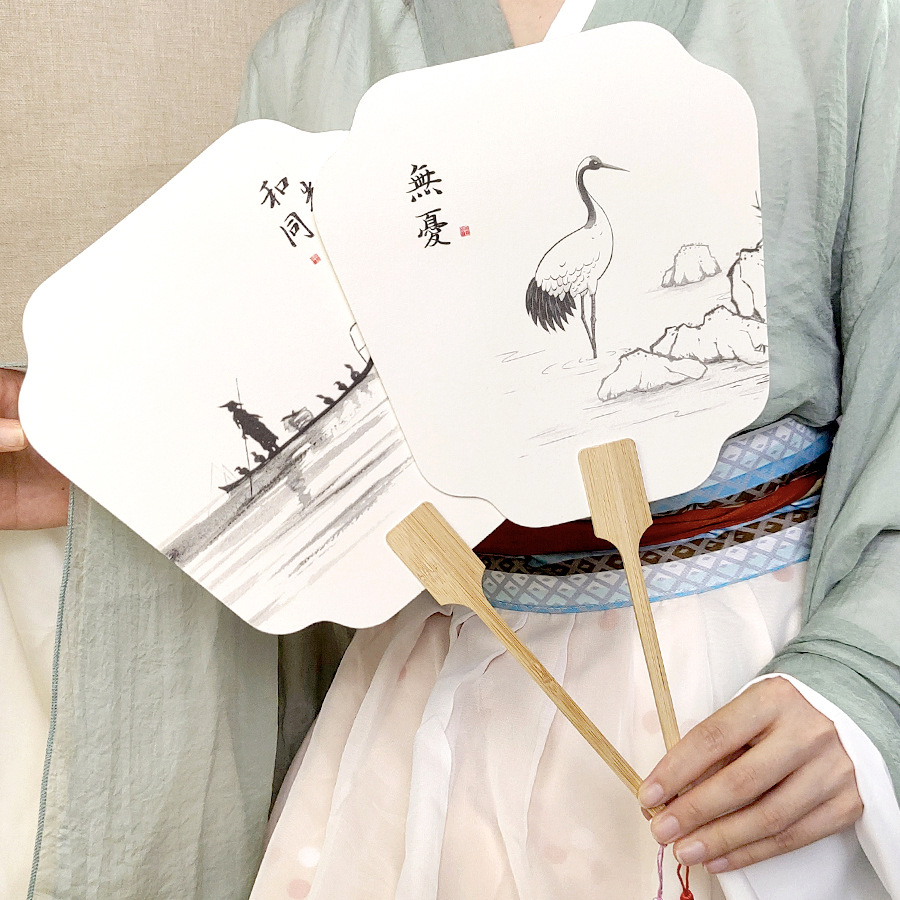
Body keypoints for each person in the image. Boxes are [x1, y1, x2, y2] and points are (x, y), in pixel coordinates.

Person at [5, 0, 899, 897]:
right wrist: (118, 476)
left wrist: (865, 680)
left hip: (751, 689)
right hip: (432, 682)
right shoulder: (312, 53)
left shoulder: (843, 20)